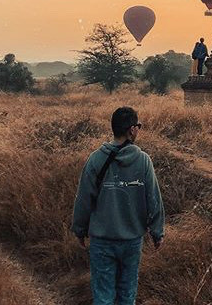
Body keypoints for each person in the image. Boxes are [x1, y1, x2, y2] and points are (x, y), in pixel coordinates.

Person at [71, 107, 165, 305]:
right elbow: (154, 200)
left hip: (102, 240)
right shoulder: (144, 161)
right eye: (138, 126)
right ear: (131, 130)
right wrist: (157, 233)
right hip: (131, 240)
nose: (138, 130)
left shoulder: (96, 159)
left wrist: (80, 229)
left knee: (103, 295)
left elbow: (83, 199)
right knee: (127, 295)